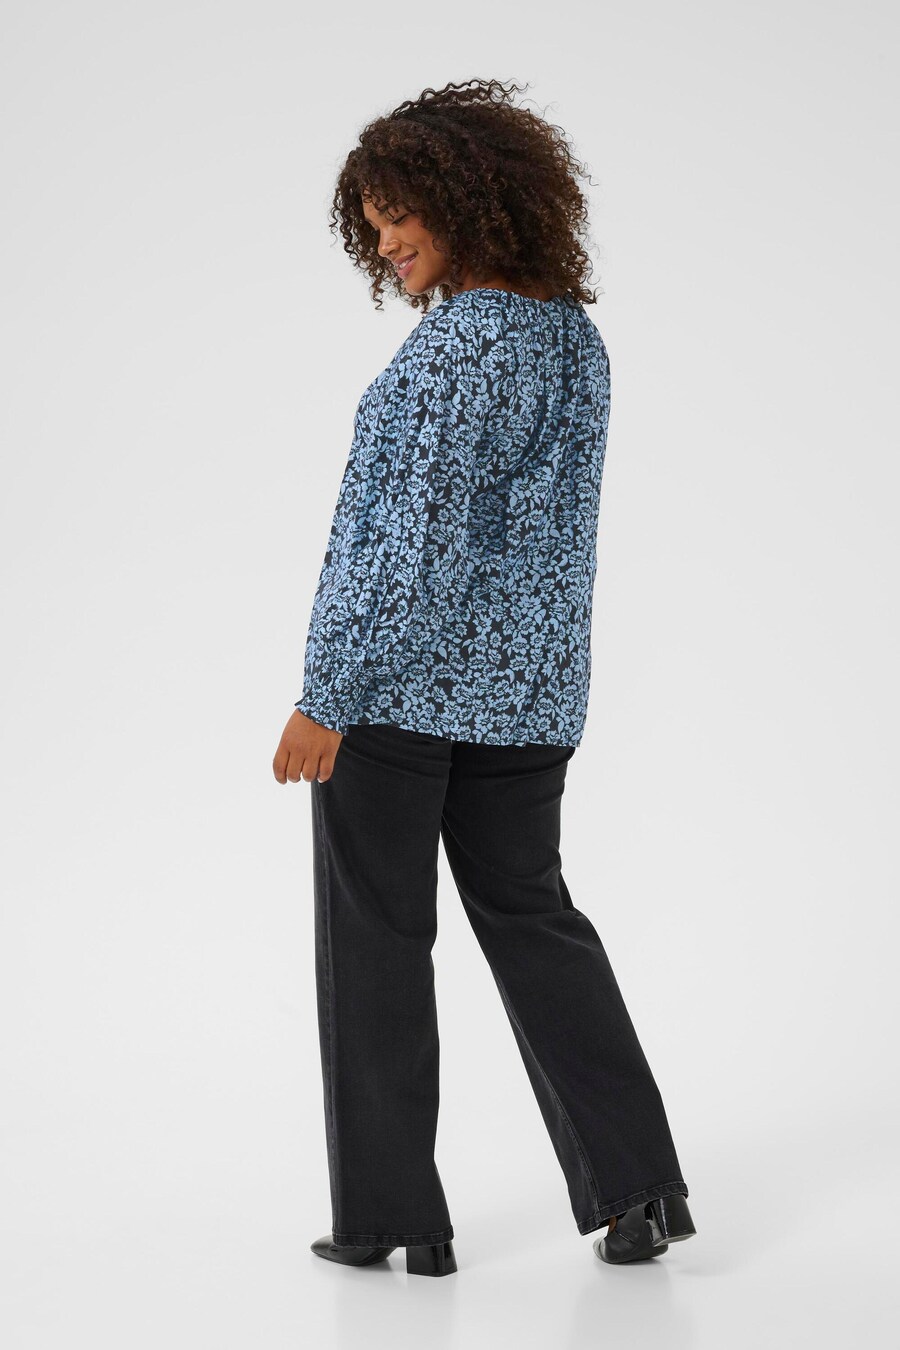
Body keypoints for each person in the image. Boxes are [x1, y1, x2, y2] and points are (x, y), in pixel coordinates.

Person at [272, 77, 696, 1276]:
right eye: (372, 224)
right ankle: (639, 1190)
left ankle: (393, 1219)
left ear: (463, 201)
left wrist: (327, 695)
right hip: (529, 698)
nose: (385, 243)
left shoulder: (456, 346)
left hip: (398, 698)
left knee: (376, 943)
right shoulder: (574, 341)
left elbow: (413, 544)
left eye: (399, 214)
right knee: (536, 924)